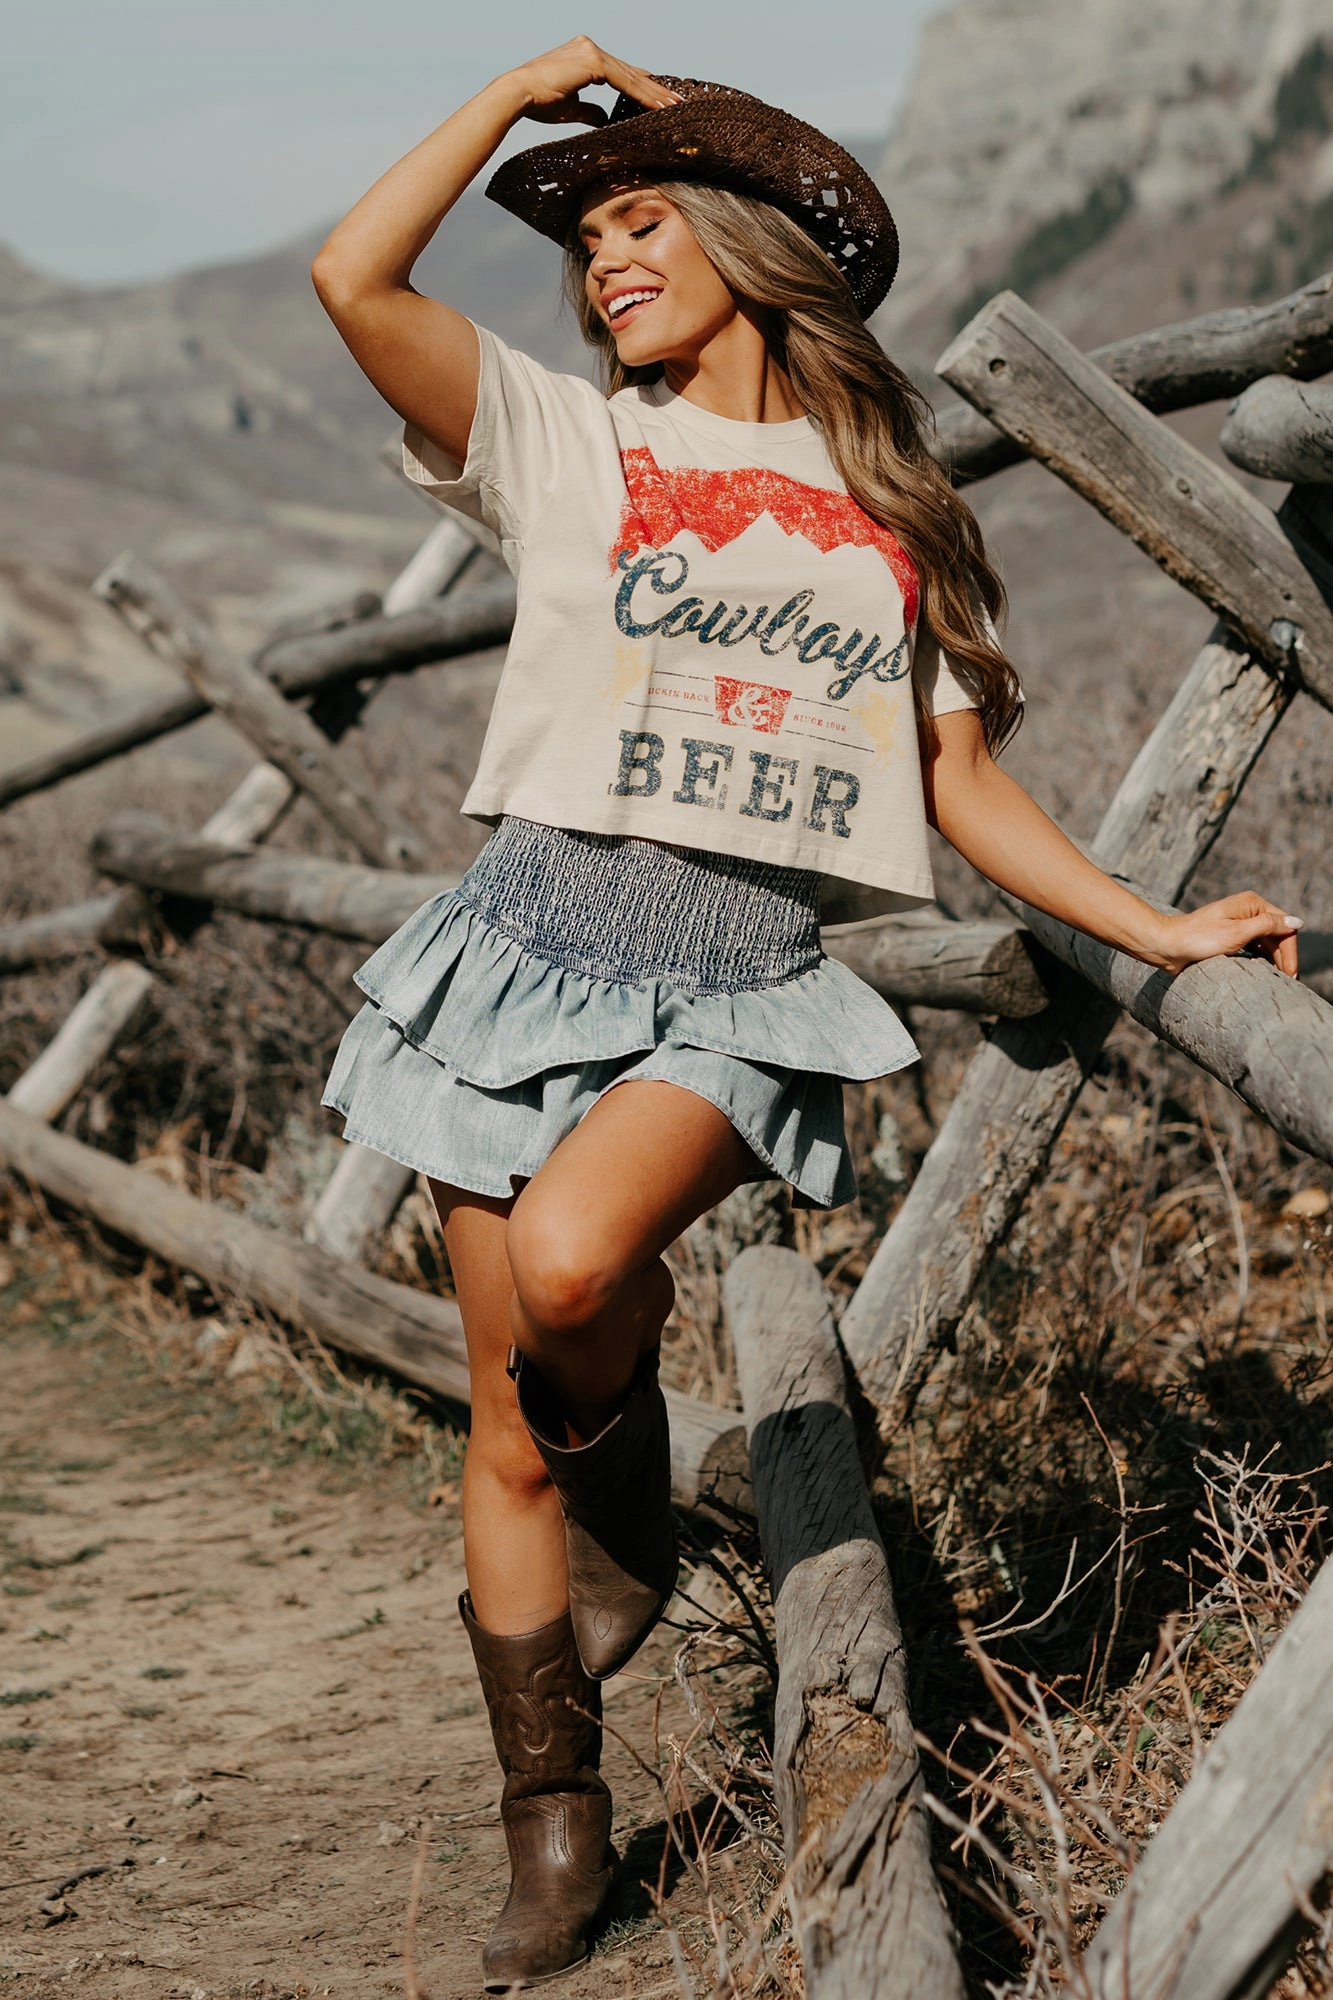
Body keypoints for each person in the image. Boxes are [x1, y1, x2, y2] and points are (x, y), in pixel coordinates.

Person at [311, 40, 1301, 1990]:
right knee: (505, 1427)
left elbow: (960, 787)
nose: (605, 260)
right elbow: (356, 279)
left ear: (759, 245)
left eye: (642, 217)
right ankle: (556, 1822)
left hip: (730, 964)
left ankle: (626, 1493)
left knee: (585, 1273)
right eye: (587, 237)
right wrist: (523, 94)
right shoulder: (566, 443)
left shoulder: (880, 510)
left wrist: (1164, 926)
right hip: (513, 937)